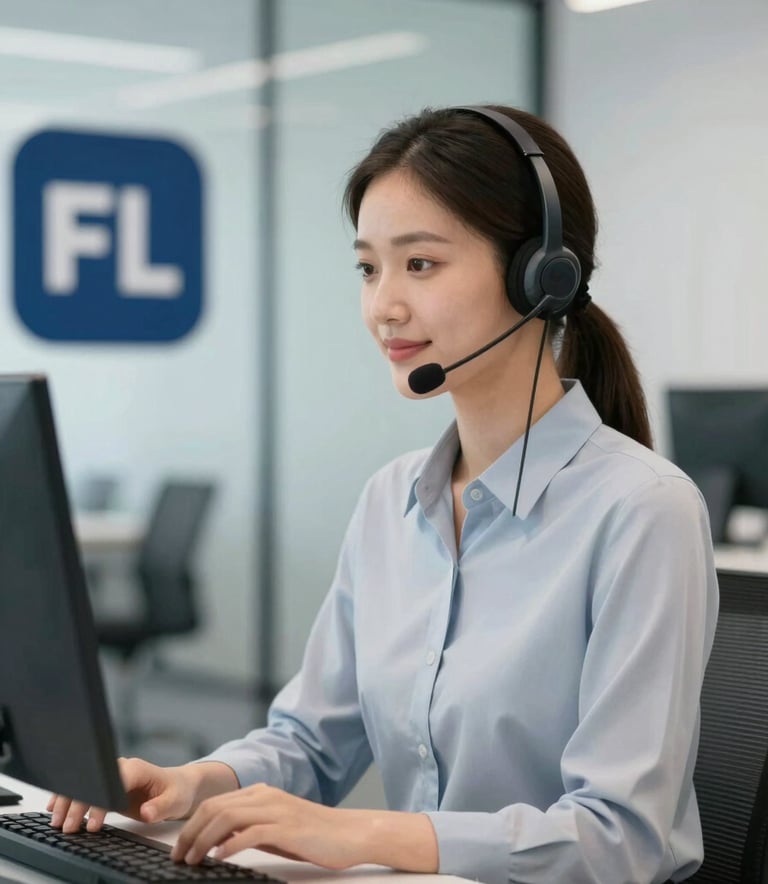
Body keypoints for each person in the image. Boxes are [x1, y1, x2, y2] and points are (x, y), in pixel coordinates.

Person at [49, 104, 718, 884]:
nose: (383, 306)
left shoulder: (641, 512)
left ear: (542, 276)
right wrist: (192, 783)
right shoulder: (391, 500)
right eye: (369, 267)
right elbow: (310, 740)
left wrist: (366, 834)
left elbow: (622, 837)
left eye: (421, 264)